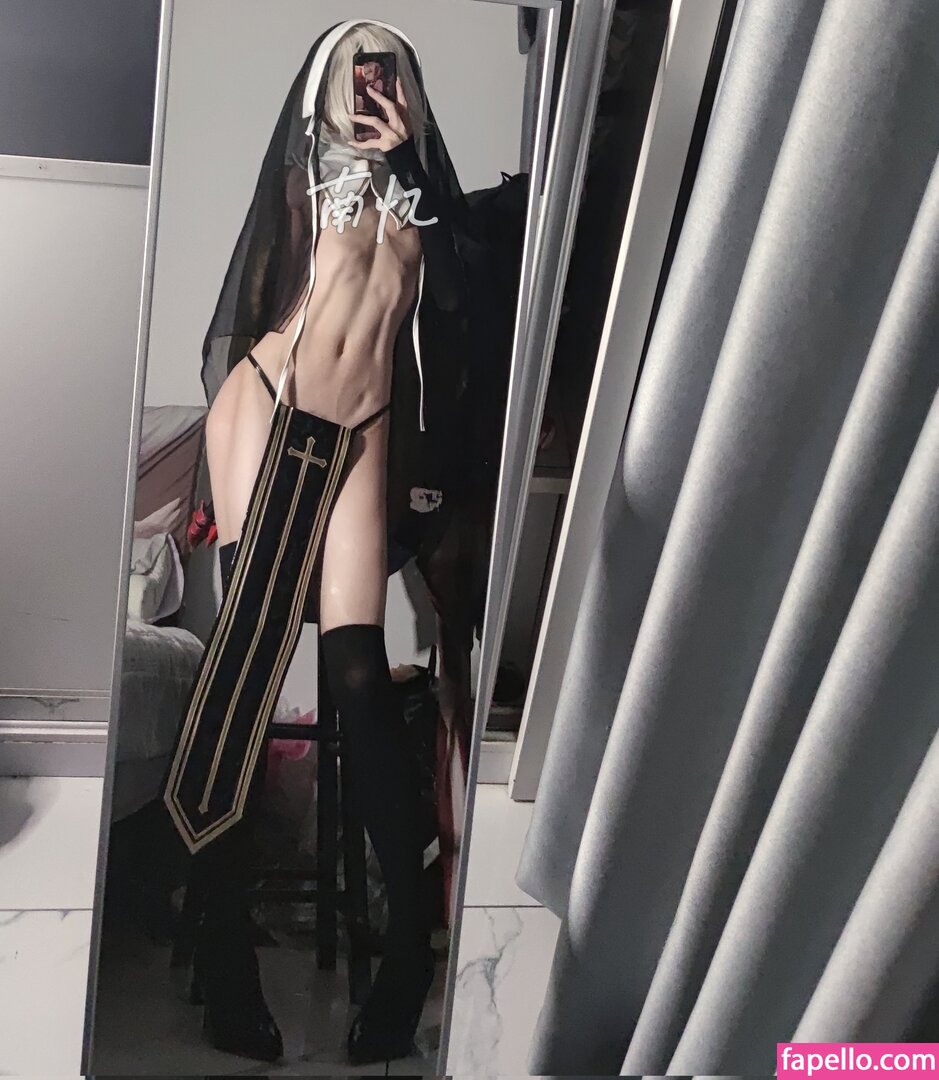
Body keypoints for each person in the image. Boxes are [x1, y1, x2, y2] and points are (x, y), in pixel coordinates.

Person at [162, 19, 469, 1066]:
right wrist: (357, 152)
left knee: (360, 679)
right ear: (331, 78)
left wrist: (409, 157)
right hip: (273, 406)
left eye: (391, 61)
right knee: (247, 671)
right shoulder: (308, 174)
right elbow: (267, 285)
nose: (373, 75)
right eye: (356, 60)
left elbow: (459, 289)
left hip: (363, 432)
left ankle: (408, 961)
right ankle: (223, 952)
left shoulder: (424, 193)